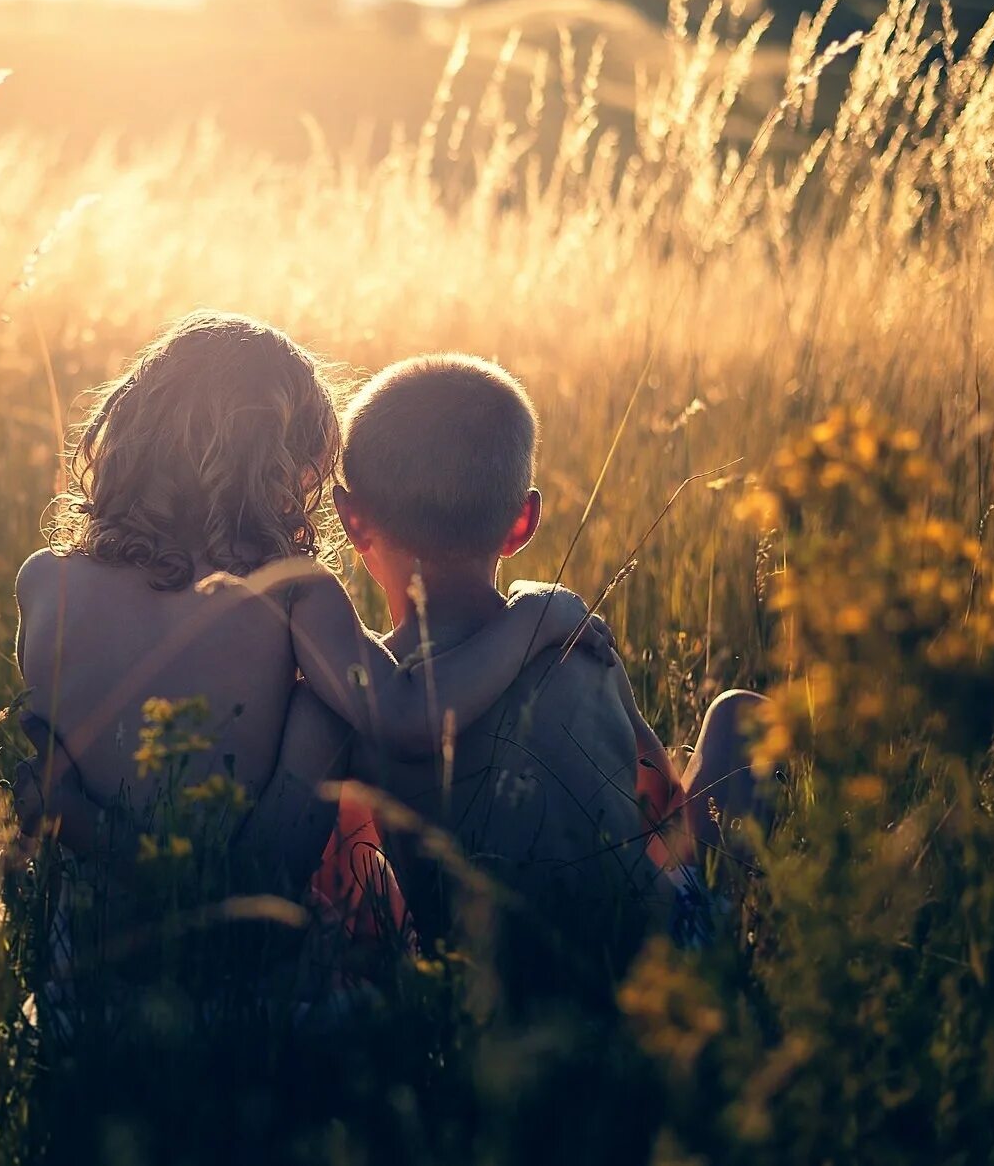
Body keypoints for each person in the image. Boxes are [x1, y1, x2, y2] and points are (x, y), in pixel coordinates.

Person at [11, 314, 611, 892]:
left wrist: (68, 817)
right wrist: (538, 617)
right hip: (246, 938)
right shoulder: (291, 587)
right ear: (287, 474)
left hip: (79, 972)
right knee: (328, 707)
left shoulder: (44, 582)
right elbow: (406, 718)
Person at [241, 354, 768, 988]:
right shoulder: (567, 632)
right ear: (523, 521)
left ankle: (383, 943)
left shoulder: (368, 696)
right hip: (661, 965)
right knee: (740, 713)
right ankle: (734, 923)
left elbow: (290, 853)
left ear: (352, 519)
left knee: (345, 814)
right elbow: (659, 806)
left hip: (489, 993)